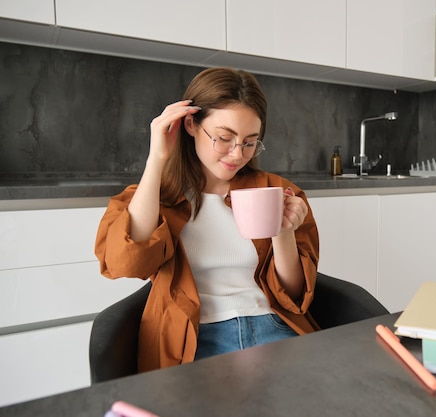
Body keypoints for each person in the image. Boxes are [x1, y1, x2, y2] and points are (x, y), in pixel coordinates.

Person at [94, 67, 320, 372]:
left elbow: (294, 295)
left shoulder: (277, 191)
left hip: (274, 328)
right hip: (194, 340)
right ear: (190, 124)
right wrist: (157, 159)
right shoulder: (156, 197)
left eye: (250, 141)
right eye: (224, 138)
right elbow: (127, 262)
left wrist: (283, 231)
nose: (237, 154)